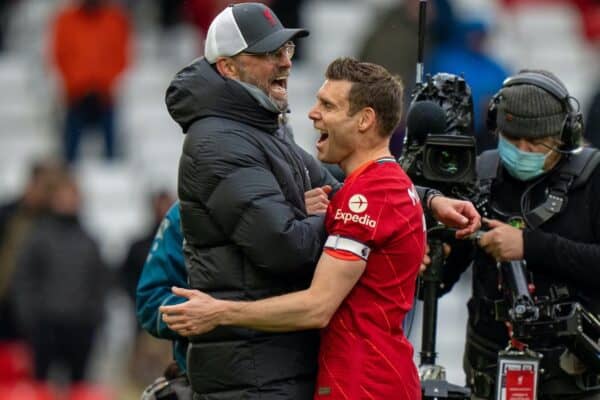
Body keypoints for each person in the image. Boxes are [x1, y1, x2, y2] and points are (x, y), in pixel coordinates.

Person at [158, 4, 480, 399]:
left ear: (363, 120)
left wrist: (424, 201)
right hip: (253, 371)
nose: (285, 62)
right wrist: (357, 217)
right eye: (269, 53)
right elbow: (284, 244)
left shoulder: (262, 128)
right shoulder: (219, 140)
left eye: (287, 50)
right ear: (228, 68)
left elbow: (344, 195)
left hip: (285, 362)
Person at [436, 70, 600, 399]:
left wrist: (528, 245)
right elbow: (440, 281)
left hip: (575, 379)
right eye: (513, 140)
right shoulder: (481, 176)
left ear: (565, 135)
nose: (523, 150)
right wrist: (435, 257)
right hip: (489, 372)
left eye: (536, 143)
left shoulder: (593, 178)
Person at [11, 170, 108, 384]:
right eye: (64, 195)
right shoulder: (38, 236)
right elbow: (24, 279)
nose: (69, 201)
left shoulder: (89, 240)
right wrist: (32, 319)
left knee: (78, 386)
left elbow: (100, 283)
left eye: (73, 195)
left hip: (80, 327)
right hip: (45, 326)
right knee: (40, 385)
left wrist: (93, 318)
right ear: (54, 199)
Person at [49, 0, 131, 163]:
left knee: (111, 154)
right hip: (76, 96)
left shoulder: (115, 20)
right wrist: (81, 84)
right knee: (69, 155)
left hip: (104, 96)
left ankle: (112, 179)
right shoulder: (65, 20)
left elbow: (122, 57)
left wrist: (101, 84)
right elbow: (59, 56)